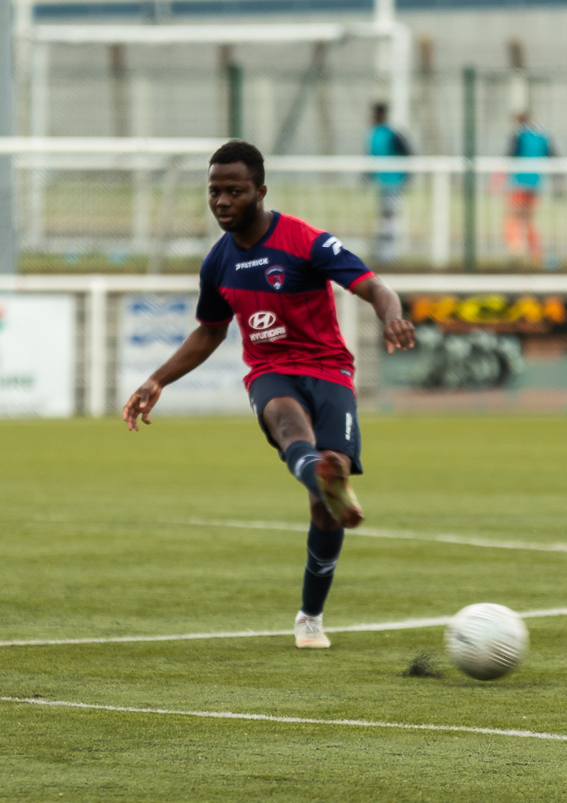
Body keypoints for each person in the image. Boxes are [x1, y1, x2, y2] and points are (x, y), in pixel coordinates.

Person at [122, 140, 417, 651]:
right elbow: (210, 331)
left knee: (326, 500)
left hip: (328, 372)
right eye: (214, 192)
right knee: (285, 421)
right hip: (270, 371)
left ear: (260, 191)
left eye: (233, 191)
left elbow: (373, 286)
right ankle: (323, 477)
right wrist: (157, 380)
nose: (221, 202)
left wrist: (390, 315)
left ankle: (310, 614)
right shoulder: (217, 263)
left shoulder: (305, 242)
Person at [504, 111, 554, 265]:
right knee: (529, 220)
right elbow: (552, 156)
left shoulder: (519, 136)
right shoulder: (542, 137)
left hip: (519, 182)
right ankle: (535, 252)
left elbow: (510, 155)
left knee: (514, 217)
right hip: (535, 183)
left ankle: (516, 249)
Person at [367, 102, 412, 264]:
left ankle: (389, 254)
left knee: (390, 217)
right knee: (384, 217)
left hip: (393, 182)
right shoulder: (373, 133)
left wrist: (405, 175)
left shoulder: (391, 133)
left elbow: (407, 152)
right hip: (382, 182)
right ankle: (383, 252)